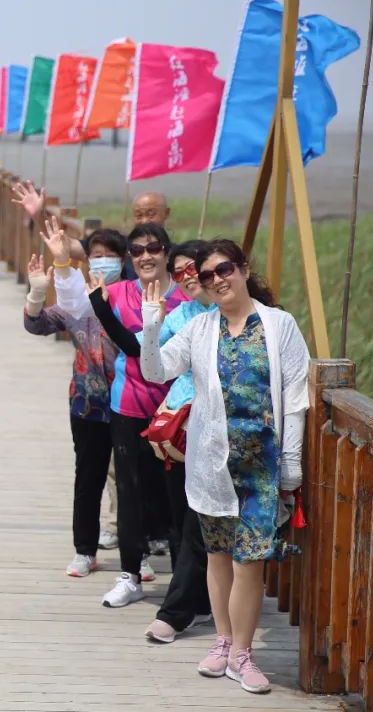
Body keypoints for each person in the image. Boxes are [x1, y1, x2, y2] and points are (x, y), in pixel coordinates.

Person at [139, 239, 309, 694]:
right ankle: (223, 641)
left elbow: (294, 397)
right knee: (218, 558)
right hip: (212, 464)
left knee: (249, 562)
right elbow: (156, 371)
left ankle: (243, 654)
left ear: (243, 269)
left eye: (225, 269)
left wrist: (291, 462)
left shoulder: (279, 325)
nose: (217, 280)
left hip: (262, 466)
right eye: (208, 274)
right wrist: (151, 324)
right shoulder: (200, 330)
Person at [50, 220, 187, 608]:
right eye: (138, 250)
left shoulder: (185, 301)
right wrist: (62, 263)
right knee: (128, 493)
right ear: (131, 258)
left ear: (166, 252)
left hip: (173, 410)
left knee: (174, 497)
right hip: (126, 406)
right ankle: (129, 576)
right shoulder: (118, 293)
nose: (146, 256)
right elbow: (75, 304)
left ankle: (181, 584)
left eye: (154, 249)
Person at [89, 239, 215, 641]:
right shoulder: (179, 313)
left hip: (209, 425)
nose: (187, 277)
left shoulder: (232, 312)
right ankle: (163, 592)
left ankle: (197, 600)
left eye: (192, 269)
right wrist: (115, 311)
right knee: (139, 496)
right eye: (182, 273)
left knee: (185, 512)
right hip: (165, 420)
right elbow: (147, 358)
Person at [22, 228, 125, 578]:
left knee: (133, 479)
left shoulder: (131, 300)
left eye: (110, 255)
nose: (103, 261)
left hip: (131, 403)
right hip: (87, 405)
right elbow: (36, 324)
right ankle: (85, 550)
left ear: (123, 261)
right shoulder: (75, 303)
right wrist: (37, 291)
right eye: (96, 255)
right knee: (89, 479)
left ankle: (136, 554)